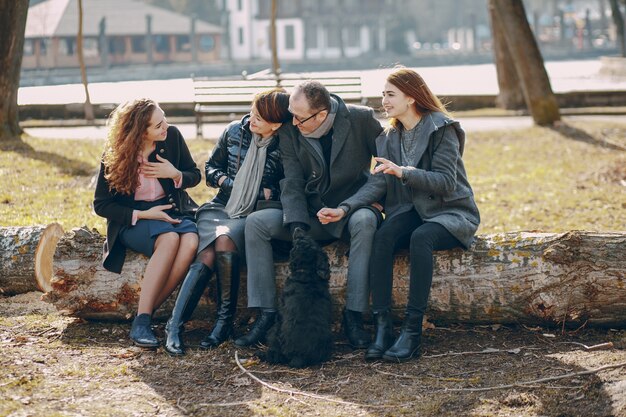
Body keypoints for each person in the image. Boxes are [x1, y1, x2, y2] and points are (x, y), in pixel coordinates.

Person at [326, 67, 480, 362]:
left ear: (411, 97)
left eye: (390, 94)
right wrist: (344, 208)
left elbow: (446, 181)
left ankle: (412, 331)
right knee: (383, 237)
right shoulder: (389, 136)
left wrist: (404, 172)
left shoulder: (441, 128)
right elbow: (378, 183)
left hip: (449, 211)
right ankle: (383, 328)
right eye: (383, 94)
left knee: (421, 238)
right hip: (412, 210)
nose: (383, 100)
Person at [236, 80, 384, 349]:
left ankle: (353, 316)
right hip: (309, 215)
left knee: (366, 221)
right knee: (256, 223)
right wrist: (297, 228)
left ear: (322, 114)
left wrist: (349, 207)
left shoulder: (361, 119)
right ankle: (266, 314)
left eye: (299, 117)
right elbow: (291, 181)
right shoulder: (291, 130)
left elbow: (384, 170)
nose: (292, 122)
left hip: (351, 211)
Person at [164, 88, 291, 356]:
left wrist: (259, 194)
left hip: (255, 213)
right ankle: (175, 326)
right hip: (221, 206)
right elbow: (210, 169)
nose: (251, 119)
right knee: (209, 251)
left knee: (223, 240)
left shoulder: (287, 143)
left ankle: (223, 322)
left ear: (277, 124)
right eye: (253, 111)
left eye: (260, 117)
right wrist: (229, 182)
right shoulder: (235, 130)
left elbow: (288, 188)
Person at [94, 98, 201, 348]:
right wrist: (144, 214)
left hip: (173, 208)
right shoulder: (116, 154)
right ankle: (143, 321)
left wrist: (175, 174)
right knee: (169, 239)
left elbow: (194, 175)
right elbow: (102, 205)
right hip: (135, 218)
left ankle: (145, 316)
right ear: (140, 132)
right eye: (158, 125)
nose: (166, 127)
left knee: (191, 241)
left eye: (164, 119)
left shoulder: (172, 137)